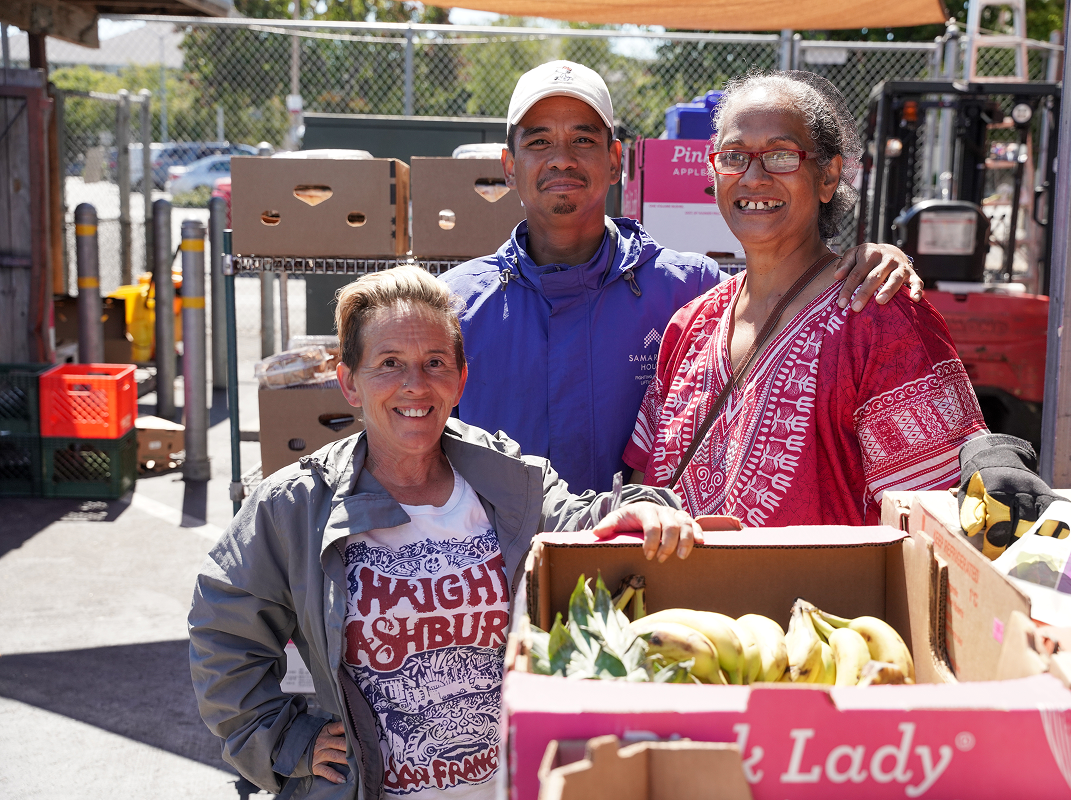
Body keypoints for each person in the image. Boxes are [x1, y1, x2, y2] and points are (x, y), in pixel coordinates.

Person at [189, 267, 701, 799]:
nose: (415, 384)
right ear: (349, 384)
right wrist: (287, 740)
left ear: (459, 380)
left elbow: (580, 520)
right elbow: (223, 632)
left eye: (435, 363)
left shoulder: (508, 480)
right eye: (388, 364)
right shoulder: (297, 504)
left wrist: (643, 505)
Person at [440, 60, 925, 495]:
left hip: (635, 575)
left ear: (615, 163)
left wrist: (871, 256)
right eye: (539, 140)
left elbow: (781, 279)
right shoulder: (458, 306)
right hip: (495, 579)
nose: (561, 158)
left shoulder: (687, 290)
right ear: (509, 167)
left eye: (583, 139)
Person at [625, 71, 990, 527]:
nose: (753, 178)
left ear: (828, 176)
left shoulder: (880, 317)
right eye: (735, 156)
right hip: (678, 599)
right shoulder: (690, 326)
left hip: (822, 600)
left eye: (780, 155)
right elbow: (645, 487)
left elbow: (939, 521)